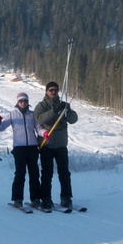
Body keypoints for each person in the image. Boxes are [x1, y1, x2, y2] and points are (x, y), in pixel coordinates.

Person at [34, 81, 78, 210]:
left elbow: (74, 120)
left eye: (55, 90)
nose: (53, 92)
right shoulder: (41, 106)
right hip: (46, 144)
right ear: (46, 91)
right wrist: (54, 111)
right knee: (47, 174)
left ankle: (66, 197)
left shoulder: (63, 105)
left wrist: (68, 112)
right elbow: (40, 119)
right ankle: (46, 198)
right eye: (50, 90)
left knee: (64, 173)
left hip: (61, 145)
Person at [0, 92, 43, 209]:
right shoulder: (12, 114)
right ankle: (17, 199)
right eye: (21, 101)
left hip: (32, 148)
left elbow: (38, 128)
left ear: (28, 102)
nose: (23, 103)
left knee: (34, 174)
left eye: (25, 101)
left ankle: (36, 199)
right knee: (20, 174)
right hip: (19, 148)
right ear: (17, 102)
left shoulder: (32, 114)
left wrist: (44, 133)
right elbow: (1, 128)